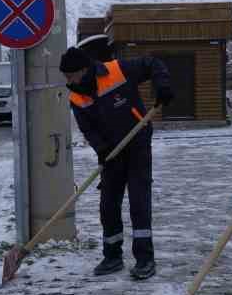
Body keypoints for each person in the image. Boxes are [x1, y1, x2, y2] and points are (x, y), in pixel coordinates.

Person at [61, 44, 174, 280]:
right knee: (108, 205)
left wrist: (162, 85)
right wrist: (103, 151)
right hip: (111, 152)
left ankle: (145, 259)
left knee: (138, 202)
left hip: (137, 142)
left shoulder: (117, 70)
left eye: (71, 75)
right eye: (66, 76)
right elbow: (88, 129)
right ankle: (112, 256)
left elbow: (153, 63)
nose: (68, 80)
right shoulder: (76, 95)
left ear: (84, 70)